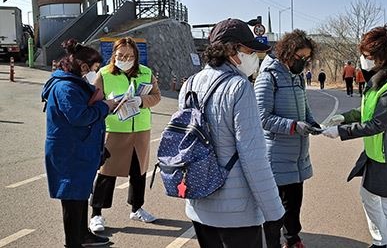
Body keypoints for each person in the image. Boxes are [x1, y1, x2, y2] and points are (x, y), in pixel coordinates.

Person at [179, 18, 284, 247]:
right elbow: (253, 156)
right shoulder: (239, 87)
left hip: (198, 200)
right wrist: (274, 211)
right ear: (232, 50)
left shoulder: (190, 84)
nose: (254, 57)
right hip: (236, 210)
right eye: (249, 50)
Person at [322, 26, 387, 248]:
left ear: (379, 59)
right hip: (376, 153)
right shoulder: (378, 82)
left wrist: (340, 132)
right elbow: (366, 112)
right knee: (368, 196)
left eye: (366, 57)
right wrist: (342, 117)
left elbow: (377, 124)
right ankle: (380, 240)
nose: (362, 60)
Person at [42, 41, 116, 247]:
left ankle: (83, 234)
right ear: (83, 67)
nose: (95, 73)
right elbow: (79, 116)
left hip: (79, 148)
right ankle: (73, 242)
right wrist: (105, 107)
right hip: (69, 152)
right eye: (94, 69)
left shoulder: (75, 83)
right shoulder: (65, 87)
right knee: (72, 200)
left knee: (81, 194)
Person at [254, 29, 320, 248]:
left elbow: (305, 107)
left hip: (298, 152)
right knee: (276, 206)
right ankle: (275, 242)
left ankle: (293, 239)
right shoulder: (269, 76)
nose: (303, 62)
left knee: (294, 203)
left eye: (306, 58)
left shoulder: (297, 76)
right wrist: (293, 126)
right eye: (299, 57)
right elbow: (262, 117)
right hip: (277, 152)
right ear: (287, 52)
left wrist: (311, 122)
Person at [88, 37, 162, 232]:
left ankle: (137, 208)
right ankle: (96, 214)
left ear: (135, 57)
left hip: (140, 131)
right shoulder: (104, 74)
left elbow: (156, 96)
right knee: (106, 173)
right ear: (114, 55)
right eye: (120, 55)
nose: (124, 58)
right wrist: (110, 104)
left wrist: (140, 100)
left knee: (139, 172)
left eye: (129, 56)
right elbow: (94, 100)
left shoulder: (146, 73)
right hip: (115, 130)